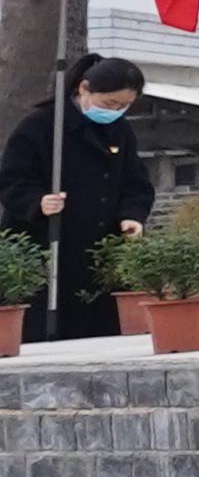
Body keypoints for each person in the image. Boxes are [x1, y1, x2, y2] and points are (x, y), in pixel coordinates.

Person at [3, 55, 155, 341]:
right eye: (110, 104)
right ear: (83, 88)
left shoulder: (120, 131)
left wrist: (132, 215)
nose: (116, 111)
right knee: (47, 329)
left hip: (100, 249)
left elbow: (136, 182)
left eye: (125, 106)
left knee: (102, 329)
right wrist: (38, 202)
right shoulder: (41, 125)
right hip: (48, 248)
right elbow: (12, 179)